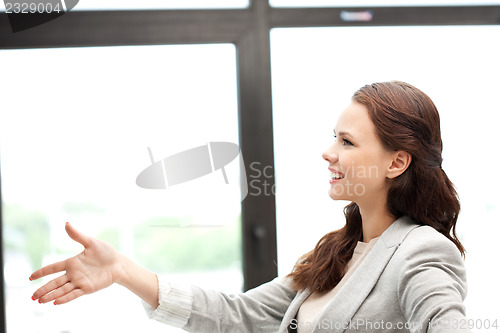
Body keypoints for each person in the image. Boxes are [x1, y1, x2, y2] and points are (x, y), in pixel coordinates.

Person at [30, 81, 470, 332]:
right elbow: (236, 314)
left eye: (347, 141)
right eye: (334, 136)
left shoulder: (421, 252)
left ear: (397, 162)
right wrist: (125, 272)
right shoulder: (335, 253)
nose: (328, 152)